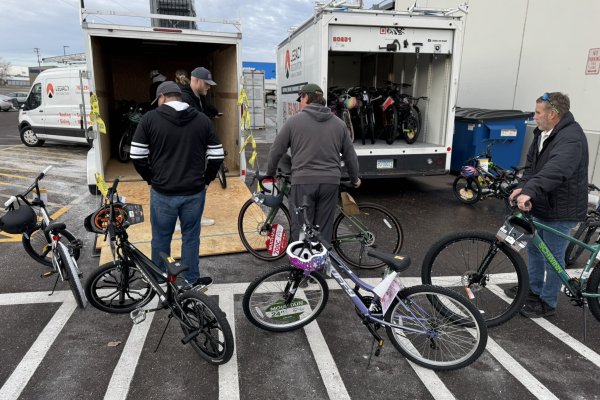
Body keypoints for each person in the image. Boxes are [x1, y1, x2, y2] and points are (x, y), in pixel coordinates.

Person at [130, 81, 224, 288]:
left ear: (162, 98)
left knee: (161, 237)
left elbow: (136, 155)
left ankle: (160, 279)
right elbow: (217, 155)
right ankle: (191, 280)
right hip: (194, 191)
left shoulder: (149, 119)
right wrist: (206, 180)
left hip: (163, 192)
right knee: (191, 237)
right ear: (179, 96)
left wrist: (151, 179)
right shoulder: (201, 119)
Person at [507, 92, 588, 318]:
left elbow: (557, 169)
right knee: (534, 248)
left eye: (538, 112)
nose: (535, 116)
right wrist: (523, 187)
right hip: (542, 202)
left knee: (553, 256)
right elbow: (532, 167)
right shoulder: (542, 133)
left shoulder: (571, 137)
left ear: (552, 114)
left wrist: (531, 190)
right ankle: (533, 290)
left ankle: (548, 301)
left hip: (561, 208)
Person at [266, 83, 361, 243]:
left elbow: (277, 150)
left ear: (306, 98)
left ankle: (301, 265)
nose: (299, 103)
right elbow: (350, 155)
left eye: (300, 99)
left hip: (303, 182)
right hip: (330, 183)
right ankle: (320, 264)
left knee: (302, 226)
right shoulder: (339, 124)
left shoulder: (293, 122)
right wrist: (354, 178)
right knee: (323, 229)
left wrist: (270, 173)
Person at [179, 67, 220, 226]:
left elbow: (206, 108)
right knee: (186, 185)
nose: (209, 87)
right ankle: (178, 220)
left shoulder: (199, 95)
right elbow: (194, 117)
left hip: (198, 148)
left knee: (198, 184)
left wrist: (215, 112)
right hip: (188, 149)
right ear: (196, 81)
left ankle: (195, 216)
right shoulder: (184, 97)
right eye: (207, 84)